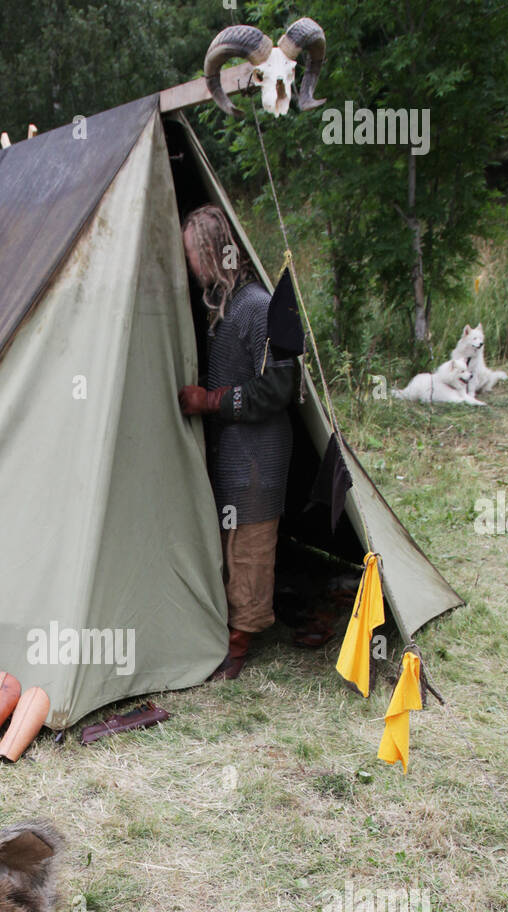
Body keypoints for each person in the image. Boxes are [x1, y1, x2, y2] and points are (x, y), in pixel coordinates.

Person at [179, 205, 297, 679]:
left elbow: (280, 384)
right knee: (229, 544)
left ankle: (239, 646)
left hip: (258, 455)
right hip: (232, 452)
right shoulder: (221, 309)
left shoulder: (259, 306)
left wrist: (210, 401)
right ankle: (224, 631)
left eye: (192, 254)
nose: (190, 264)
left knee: (250, 548)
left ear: (211, 251)